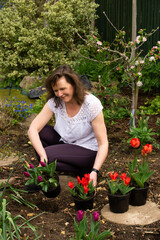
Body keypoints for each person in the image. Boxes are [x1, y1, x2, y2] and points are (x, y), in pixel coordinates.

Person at [28, 64, 108, 186]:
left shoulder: (92, 105)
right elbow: (32, 129)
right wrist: (43, 155)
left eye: (63, 89)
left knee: (48, 157)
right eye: (56, 90)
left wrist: (95, 170)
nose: (59, 94)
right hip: (66, 143)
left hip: (88, 150)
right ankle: (78, 170)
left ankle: (86, 169)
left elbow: (103, 144)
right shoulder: (55, 102)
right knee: (40, 133)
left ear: (74, 85)